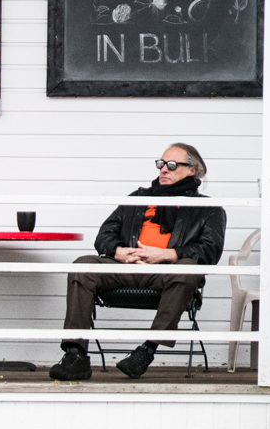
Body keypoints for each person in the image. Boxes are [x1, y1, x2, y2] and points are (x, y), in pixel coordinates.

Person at [49, 143, 227, 381]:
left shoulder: (208, 208)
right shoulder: (139, 198)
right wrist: (119, 251)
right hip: (126, 266)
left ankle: (146, 350)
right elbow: (104, 236)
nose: (164, 169)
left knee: (188, 270)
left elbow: (209, 251)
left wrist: (166, 254)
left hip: (166, 272)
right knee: (83, 266)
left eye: (172, 165)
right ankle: (76, 354)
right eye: (161, 164)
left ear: (192, 170)